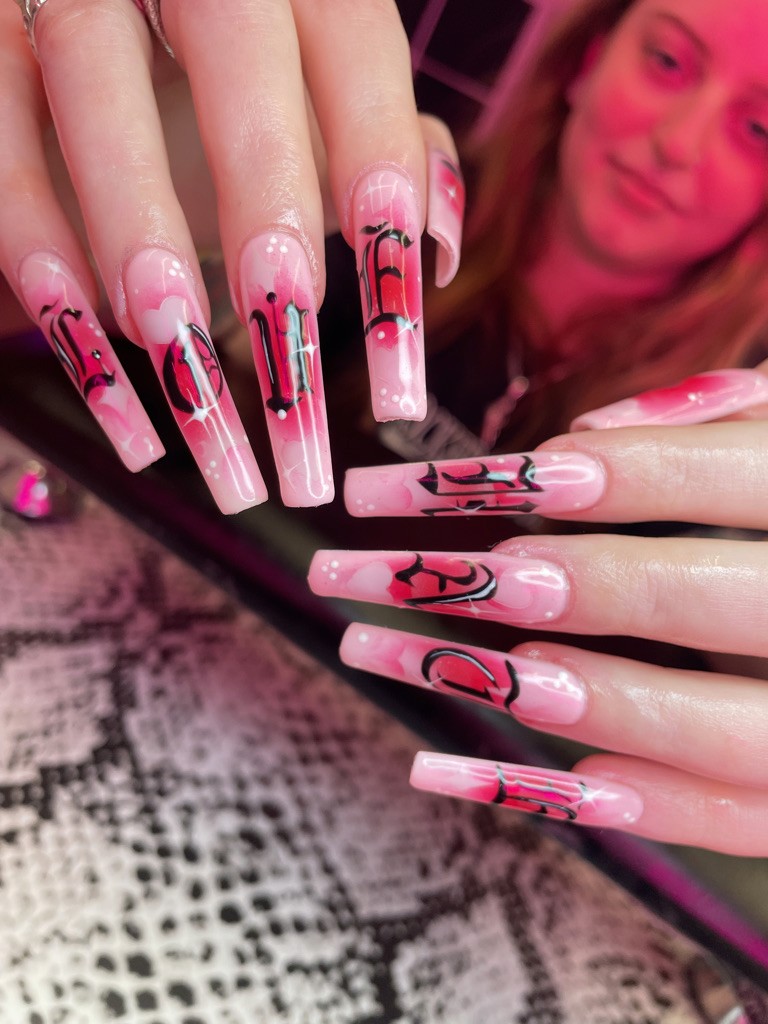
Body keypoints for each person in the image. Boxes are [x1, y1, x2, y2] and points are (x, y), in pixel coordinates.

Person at [307, 0, 768, 857]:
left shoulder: (740, 428)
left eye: (758, 129)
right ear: (588, 57)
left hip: (491, 834)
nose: (679, 142)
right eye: (667, 62)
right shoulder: (394, 212)